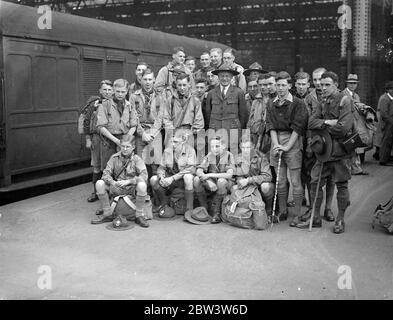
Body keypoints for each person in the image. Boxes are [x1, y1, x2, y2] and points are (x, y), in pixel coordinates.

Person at [297, 71, 354, 234]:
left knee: (342, 185)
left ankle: (340, 219)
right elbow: (311, 122)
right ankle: (315, 218)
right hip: (324, 152)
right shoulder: (322, 101)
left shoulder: (345, 100)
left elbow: (343, 128)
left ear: (336, 84)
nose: (323, 88)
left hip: (340, 152)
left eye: (327, 85)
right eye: (321, 85)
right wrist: (328, 122)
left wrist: (322, 128)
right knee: (315, 183)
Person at [265, 71, 308, 225]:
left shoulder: (298, 103)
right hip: (276, 141)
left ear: (290, 86)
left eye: (284, 85)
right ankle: (283, 211)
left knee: (296, 181)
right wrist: (276, 145)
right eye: (278, 85)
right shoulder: (271, 103)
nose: (281, 88)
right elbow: (270, 125)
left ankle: (297, 214)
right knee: (281, 180)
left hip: (293, 141)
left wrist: (287, 146)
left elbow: (298, 127)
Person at [91, 135, 150, 228]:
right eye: (123, 146)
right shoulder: (114, 158)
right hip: (117, 186)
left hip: (131, 188)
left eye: (128, 147)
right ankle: (107, 214)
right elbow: (105, 174)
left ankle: (139, 215)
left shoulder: (137, 159)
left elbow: (144, 176)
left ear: (133, 147)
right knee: (99, 183)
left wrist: (130, 181)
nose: (125, 149)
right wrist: (112, 182)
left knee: (142, 185)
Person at [301, 67, 335, 222]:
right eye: (314, 80)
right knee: (312, 177)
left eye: (319, 79)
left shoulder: (336, 95)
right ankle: (312, 208)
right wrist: (309, 144)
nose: (317, 83)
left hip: (333, 143)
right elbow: (308, 123)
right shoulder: (309, 98)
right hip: (315, 143)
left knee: (331, 178)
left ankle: (328, 208)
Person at [150, 129, 196, 216]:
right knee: (153, 179)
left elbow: (191, 169)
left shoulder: (190, 150)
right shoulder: (167, 151)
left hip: (181, 180)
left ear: (183, 141)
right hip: (170, 178)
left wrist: (172, 178)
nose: (173, 144)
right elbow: (161, 168)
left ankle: (189, 209)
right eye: (171, 142)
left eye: (176, 142)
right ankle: (163, 204)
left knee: (188, 177)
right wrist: (161, 177)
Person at [205, 63, 248, 156]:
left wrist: (241, 131)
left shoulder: (238, 92)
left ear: (232, 77)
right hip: (216, 130)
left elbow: (243, 114)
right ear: (218, 77)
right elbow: (207, 114)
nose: (224, 78)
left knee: (233, 157)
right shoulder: (211, 93)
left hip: (232, 131)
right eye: (222, 76)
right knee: (216, 156)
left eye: (227, 76)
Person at [81, 80, 113, 203]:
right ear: (100, 91)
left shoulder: (115, 103)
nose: (107, 92)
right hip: (96, 138)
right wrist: (88, 138)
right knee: (96, 166)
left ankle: (108, 192)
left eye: (110, 90)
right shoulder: (94, 104)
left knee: (109, 167)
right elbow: (87, 121)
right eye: (105, 89)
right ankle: (96, 192)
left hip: (109, 138)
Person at [96, 79, 137, 171]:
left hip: (124, 140)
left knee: (123, 169)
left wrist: (126, 139)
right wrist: (116, 141)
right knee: (108, 169)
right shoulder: (105, 104)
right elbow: (100, 127)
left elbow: (134, 125)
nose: (120, 94)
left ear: (127, 92)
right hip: (109, 141)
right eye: (118, 91)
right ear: (113, 90)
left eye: (123, 92)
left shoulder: (129, 106)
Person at [129, 68, 163, 177]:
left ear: (154, 80)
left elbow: (161, 117)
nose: (147, 82)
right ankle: (144, 191)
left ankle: (155, 191)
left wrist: (152, 133)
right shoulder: (134, 97)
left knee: (154, 163)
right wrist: (143, 134)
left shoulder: (161, 96)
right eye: (145, 79)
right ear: (141, 80)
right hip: (141, 133)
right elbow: (133, 117)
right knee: (141, 163)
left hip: (155, 132)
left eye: (150, 79)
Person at [193, 136, 235, 223]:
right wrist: (208, 180)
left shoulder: (229, 156)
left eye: (217, 146)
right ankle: (203, 207)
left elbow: (229, 175)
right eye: (212, 147)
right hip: (213, 182)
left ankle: (217, 212)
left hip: (226, 184)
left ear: (223, 146)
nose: (214, 149)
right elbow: (199, 170)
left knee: (221, 181)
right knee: (196, 179)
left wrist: (209, 175)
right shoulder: (209, 155)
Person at [233, 137, 274, 218]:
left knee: (266, 187)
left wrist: (249, 180)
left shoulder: (262, 157)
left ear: (253, 146)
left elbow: (268, 176)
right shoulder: (237, 158)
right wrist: (240, 181)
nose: (245, 150)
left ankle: (269, 210)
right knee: (234, 188)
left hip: (259, 185)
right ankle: (241, 211)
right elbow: (236, 175)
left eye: (248, 147)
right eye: (243, 147)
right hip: (246, 186)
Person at [161, 73, 204, 146]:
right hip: (173, 136)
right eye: (179, 85)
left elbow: (199, 122)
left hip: (189, 136)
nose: (182, 88)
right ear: (176, 86)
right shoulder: (170, 100)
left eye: (184, 85)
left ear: (189, 85)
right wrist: (174, 134)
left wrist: (189, 134)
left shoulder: (195, 101)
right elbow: (166, 119)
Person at [343, 74, 367, 175]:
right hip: (347, 123)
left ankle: (355, 168)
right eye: (351, 83)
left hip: (356, 123)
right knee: (348, 145)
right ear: (347, 83)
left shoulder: (356, 95)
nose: (353, 85)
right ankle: (348, 169)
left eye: (354, 83)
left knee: (354, 145)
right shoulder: (343, 94)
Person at [247, 74, 269, 148]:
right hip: (255, 135)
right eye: (260, 85)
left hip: (268, 136)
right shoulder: (256, 101)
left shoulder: (274, 100)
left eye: (265, 85)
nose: (262, 87)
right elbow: (251, 120)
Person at [378, 81, 393, 166]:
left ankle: (386, 158)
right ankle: (383, 160)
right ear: (388, 90)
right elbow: (384, 114)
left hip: (390, 124)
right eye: (392, 89)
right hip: (387, 124)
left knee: (389, 142)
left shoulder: (390, 98)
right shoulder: (385, 99)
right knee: (386, 142)